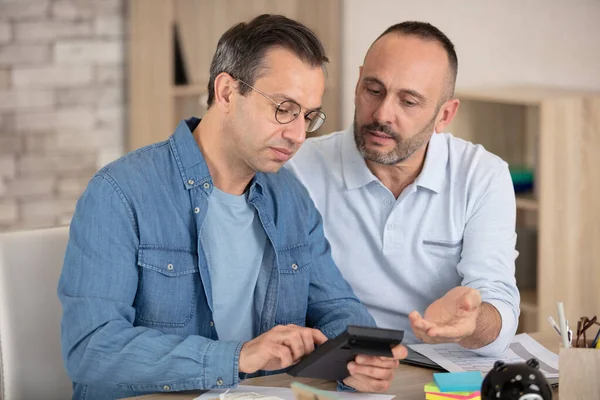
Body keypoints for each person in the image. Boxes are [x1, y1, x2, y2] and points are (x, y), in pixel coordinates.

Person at [58, 15, 406, 400]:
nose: (297, 134)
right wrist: (238, 356)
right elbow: (91, 349)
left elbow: (335, 304)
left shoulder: (290, 197)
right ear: (226, 92)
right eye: (284, 108)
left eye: (308, 116)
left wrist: (364, 356)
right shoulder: (120, 193)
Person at [286, 21, 520, 356]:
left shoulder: (482, 175)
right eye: (374, 90)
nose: (382, 114)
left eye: (408, 102)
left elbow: (499, 302)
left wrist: (471, 322)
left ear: (444, 115)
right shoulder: (301, 168)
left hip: (439, 365)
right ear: (357, 84)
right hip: (339, 361)